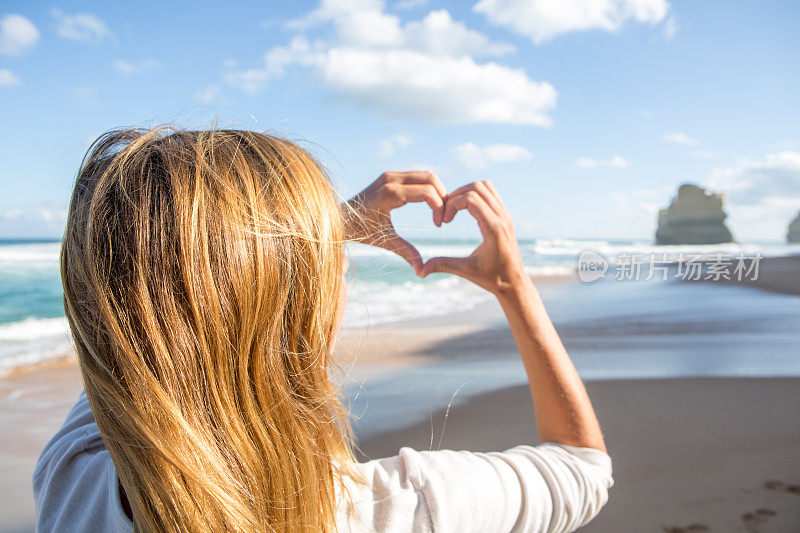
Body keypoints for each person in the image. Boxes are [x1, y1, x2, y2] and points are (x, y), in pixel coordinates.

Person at [33, 128, 612, 532]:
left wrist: (312, 239)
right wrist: (513, 286)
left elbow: (141, 339)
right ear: (308, 312)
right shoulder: (392, 510)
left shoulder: (71, 484)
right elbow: (583, 470)